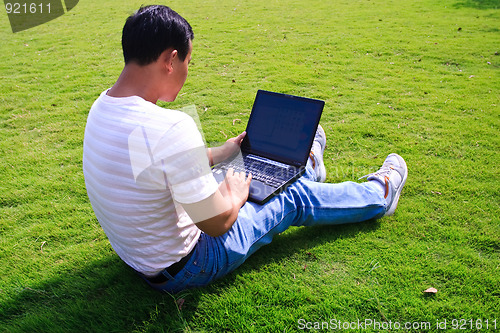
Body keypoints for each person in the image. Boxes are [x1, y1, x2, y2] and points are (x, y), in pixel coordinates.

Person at [82, 5, 408, 293]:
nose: (186, 73)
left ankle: (306, 166)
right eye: (188, 63)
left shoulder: (103, 106)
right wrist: (235, 193)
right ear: (170, 59)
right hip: (189, 264)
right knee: (288, 198)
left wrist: (221, 154)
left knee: (256, 177)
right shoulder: (170, 126)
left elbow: (151, 161)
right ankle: (378, 195)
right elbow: (216, 223)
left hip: (140, 259)